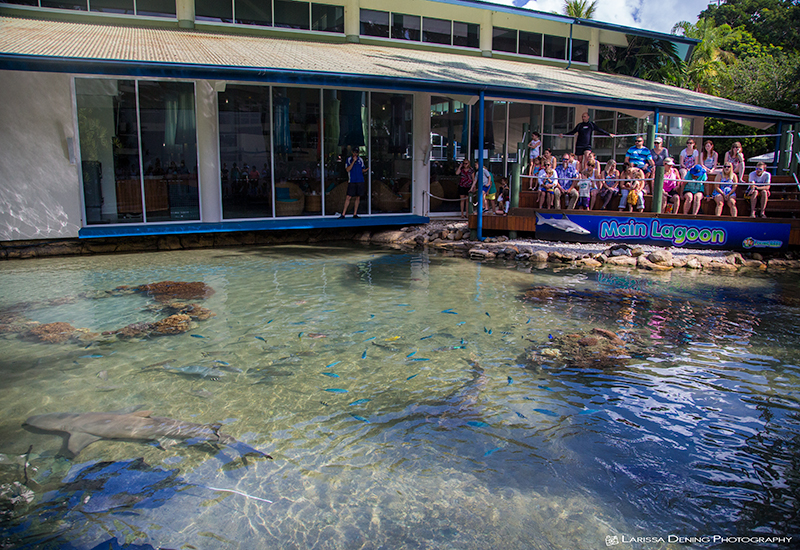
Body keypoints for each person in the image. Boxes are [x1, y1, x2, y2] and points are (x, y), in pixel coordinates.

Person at [339, 147, 367, 219]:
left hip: (360, 180)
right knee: (348, 197)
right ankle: (343, 214)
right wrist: (353, 161)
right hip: (352, 181)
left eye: (357, 153)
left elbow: (362, 169)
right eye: (354, 152)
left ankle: (355, 213)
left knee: (358, 197)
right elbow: (347, 169)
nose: (355, 154)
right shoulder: (349, 159)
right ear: (352, 152)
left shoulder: (360, 160)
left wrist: (365, 170)